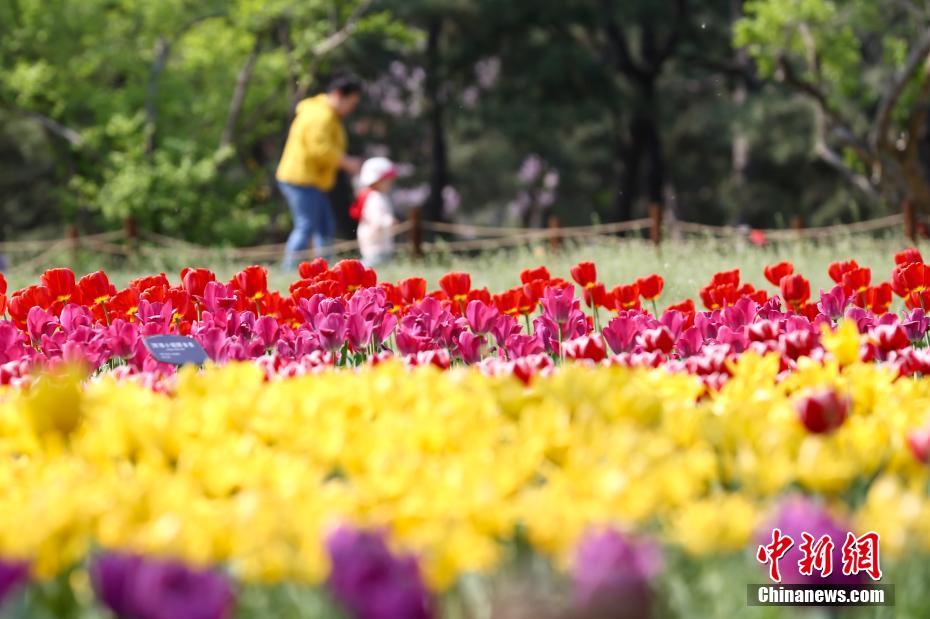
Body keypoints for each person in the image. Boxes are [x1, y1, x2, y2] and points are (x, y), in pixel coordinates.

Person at [276, 73, 363, 270]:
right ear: (340, 94)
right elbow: (320, 149)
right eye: (351, 102)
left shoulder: (328, 114)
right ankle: (288, 269)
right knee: (306, 226)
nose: (352, 108)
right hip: (300, 179)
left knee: (324, 226)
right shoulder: (321, 115)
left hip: (312, 181)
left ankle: (325, 271)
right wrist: (347, 162)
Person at [350, 157, 398, 266]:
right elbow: (377, 220)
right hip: (376, 244)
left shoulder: (374, 196)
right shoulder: (375, 198)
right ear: (377, 181)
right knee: (373, 265)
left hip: (377, 243)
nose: (390, 184)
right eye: (387, 181)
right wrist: (389, 222)